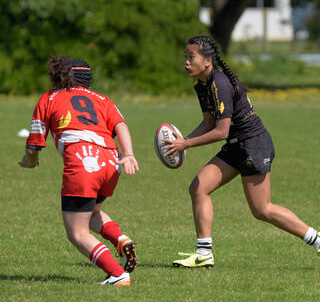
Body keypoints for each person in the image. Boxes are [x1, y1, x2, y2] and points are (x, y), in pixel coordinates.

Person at [162, 35, 320, 268]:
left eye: (191, 57)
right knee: (198, 187)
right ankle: (203, 253)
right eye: (185, 57)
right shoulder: (202, 85)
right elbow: (208, 122)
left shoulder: (220, 83)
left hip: (252, 145)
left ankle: (317, 240)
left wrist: (186, 145)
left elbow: (221, 131)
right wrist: (183, 139)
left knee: (262, 209)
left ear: (207, 61)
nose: (186, 62)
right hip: (237, 145)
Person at [19, 56, 139, 286]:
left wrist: (30, 160)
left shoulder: (49, 98)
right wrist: (129, 154)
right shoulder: (103, 99)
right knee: (92, 211)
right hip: (112, 161)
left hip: (83, 162)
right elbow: (120, 124)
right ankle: (120, 239)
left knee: (77, 233)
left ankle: (117, 274)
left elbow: (34, 144)